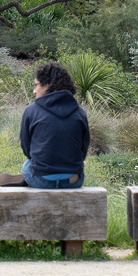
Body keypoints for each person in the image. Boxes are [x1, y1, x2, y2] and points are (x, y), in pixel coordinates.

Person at [17, 61, 90, 189]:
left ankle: (31, 178)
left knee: (27, 164)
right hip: (73, 180)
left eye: (36, 85)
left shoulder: (31, 110)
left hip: (42, 179)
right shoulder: (80, 112)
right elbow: (83, 151)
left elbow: (27, 149)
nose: (34, 91)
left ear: (46, 85)